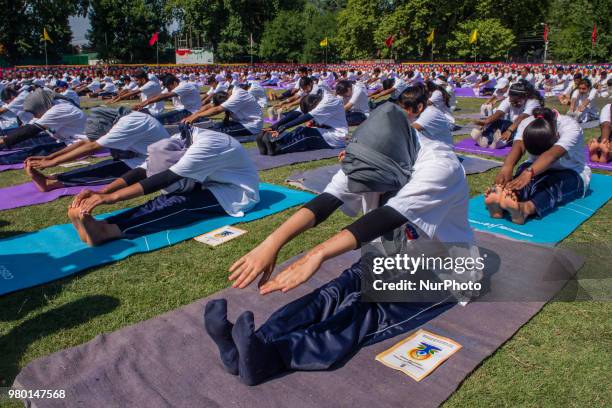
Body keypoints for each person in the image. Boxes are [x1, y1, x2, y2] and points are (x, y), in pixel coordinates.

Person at [204, 102, 474, 386]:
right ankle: (251, 346)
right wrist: (272, 243)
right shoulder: (370, 151)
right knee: (331, 293)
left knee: (366, 311)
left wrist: (317, 254)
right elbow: (325, 202)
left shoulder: (440, 168)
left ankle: (273, 356)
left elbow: (386, 217)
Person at [67, 125, 260, 246]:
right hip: (209, 181)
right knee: (164, 200)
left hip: (235, 193)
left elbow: (165, 178)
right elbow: (144, 170)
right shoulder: (177, 141)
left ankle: (108, 232)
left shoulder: (206, 146)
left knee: (180, 204)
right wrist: (103, 191)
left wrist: (110, 198)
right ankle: (105, 224)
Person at [485, 107, 590, 224]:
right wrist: (507, 167)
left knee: (551, 184)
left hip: (570, 170)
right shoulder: (527, 123)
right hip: (534, 166)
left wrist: (529, 172)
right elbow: (519, 145)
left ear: (556, 135)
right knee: (520, 181)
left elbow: (552, 155)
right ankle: (504, 200)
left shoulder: (570, 127)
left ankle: (526, 209)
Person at [25, 108, 170, 192]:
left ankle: (54, 183)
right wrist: (50, 158)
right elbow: (86, 142)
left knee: (106, 171)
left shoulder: (129, 123)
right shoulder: (119, 120)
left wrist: (53, 162)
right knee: (102, 165)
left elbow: (92, 147)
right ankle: (57, 178)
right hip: (143, 157)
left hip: (159, 164)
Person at [0, 88, 86, 163]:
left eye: (33, 112)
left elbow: (30, 130)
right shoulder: (49, 107)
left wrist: (4, 141)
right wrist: (5, 138)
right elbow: (28, 126)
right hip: (69, 142)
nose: (34, 116)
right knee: (36, 149)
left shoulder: (58, 110)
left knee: (35, 152)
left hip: (79, 144)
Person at [256, 91, 348, 155]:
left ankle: (278, 148)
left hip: (337, 137)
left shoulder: (328, 102)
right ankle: (277, 143)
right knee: (300, 129)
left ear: (314, 106)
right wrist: (275, 126)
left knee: (306, 134)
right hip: (326, 130)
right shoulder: (313, 99)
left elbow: (305, 117)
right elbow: (296, 114)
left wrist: (283, 127)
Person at [470, 80, 542, 149]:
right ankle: (485, 140)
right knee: (499, 122)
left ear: (524, 97)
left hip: (527, 128)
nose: (513, 103)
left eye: (516, 101)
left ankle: (502, 142)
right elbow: (499, 113)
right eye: (511, 100)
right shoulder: (509, 99)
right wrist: (486, 122)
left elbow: (522, 117)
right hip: (512, 124)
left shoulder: (533, 102)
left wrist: (509, 131)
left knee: (520, 131)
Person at [182, 87, 263, 140]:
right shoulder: (226, 95)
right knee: (213, 127)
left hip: (251, 126)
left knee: (215, 134)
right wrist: (193, 115)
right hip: (240, 122)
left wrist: (197, 116)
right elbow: (210, 106)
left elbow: (217, 109)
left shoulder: (238, 95)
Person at [133, 74, 201, 124]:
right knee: (156, 119)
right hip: (184, 111)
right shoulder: (176, 85)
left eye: (169, 88)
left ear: (174, 83)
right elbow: (160, 95)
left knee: (157, 120)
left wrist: (146, 102)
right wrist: (141, 104)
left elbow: (165, 95)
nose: (168, 90)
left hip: (191, 112)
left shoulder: (184, 86)